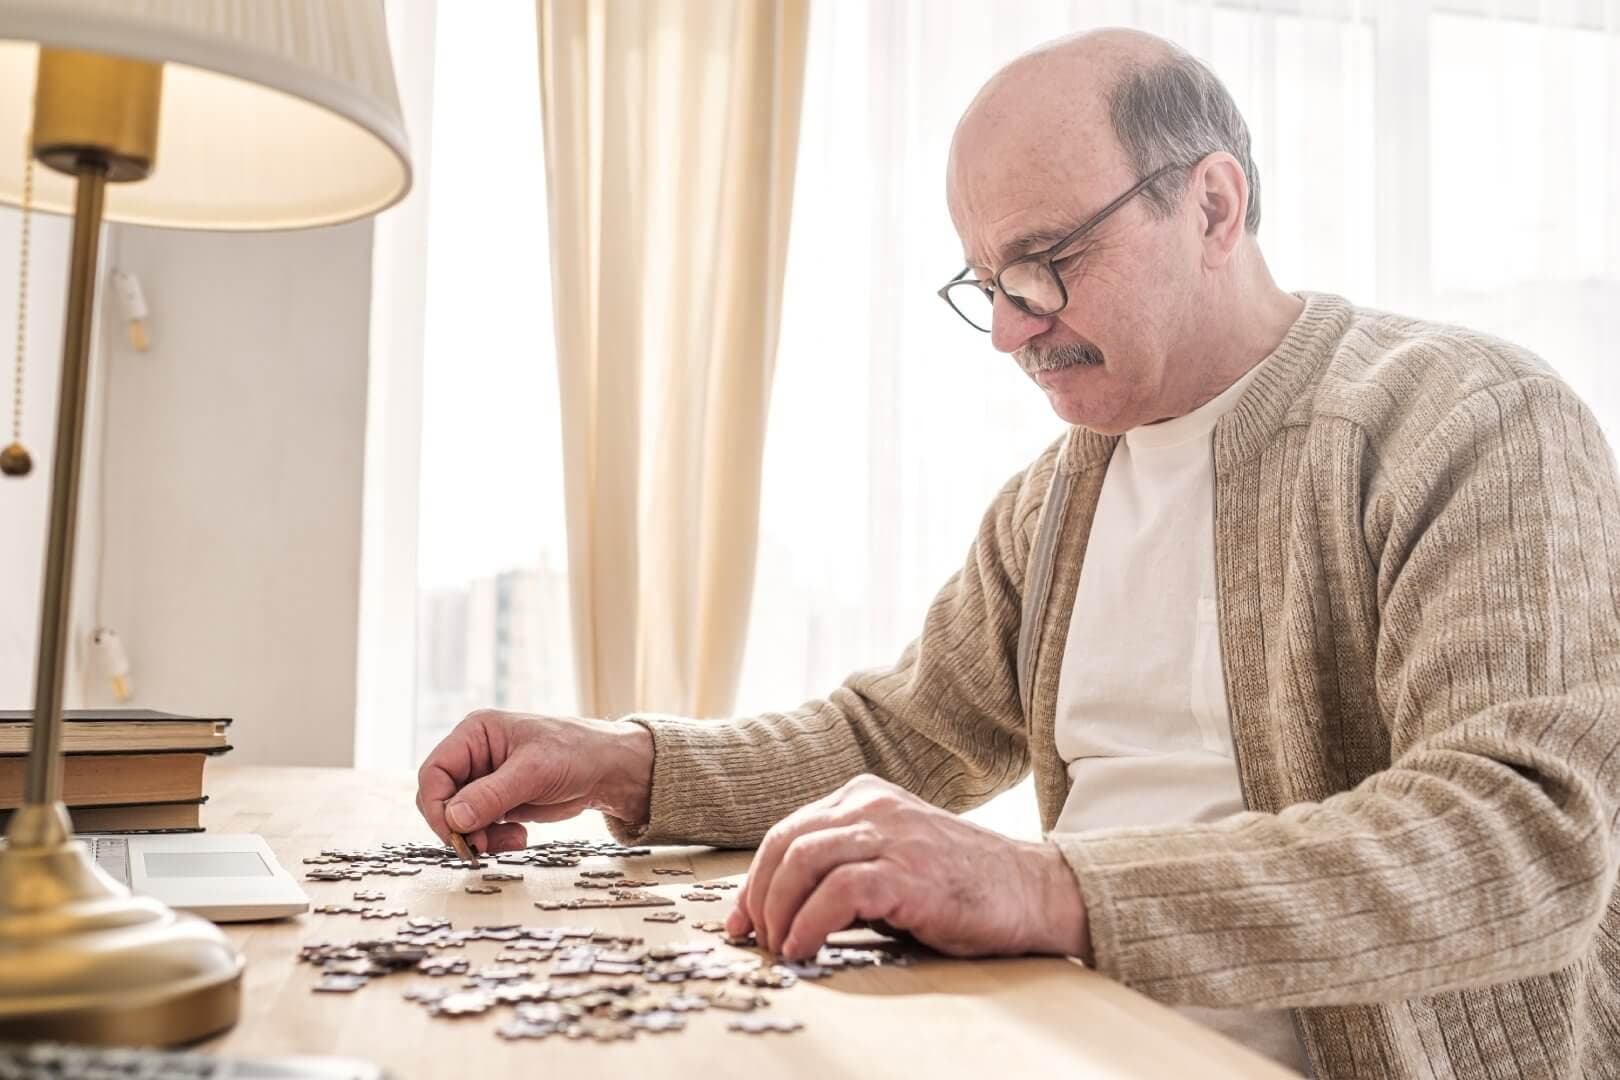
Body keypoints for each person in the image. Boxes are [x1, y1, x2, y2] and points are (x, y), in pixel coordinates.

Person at [416, 27, 1620, 1077]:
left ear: (1212, 205)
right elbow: (896, 736)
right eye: (985, 283)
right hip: (1056, 1034)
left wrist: (1045, 887)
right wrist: (621, 760)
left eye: (1046, 263)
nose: (1005, 329)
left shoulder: (1469, 420)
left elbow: (1528, 835)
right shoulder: (1059, 496)